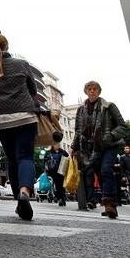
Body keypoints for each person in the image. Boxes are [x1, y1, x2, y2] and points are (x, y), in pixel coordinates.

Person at [0, 34, 38, 221]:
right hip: (25, 118)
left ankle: (18, 200)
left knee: (12, 160)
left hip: (3, 121)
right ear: (8, 45)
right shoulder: (22, 64)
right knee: (25, 157)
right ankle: (24, 192)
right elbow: (33, 90)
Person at [70, 81, 127, 219]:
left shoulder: (109, 106)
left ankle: (109, 204)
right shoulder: (81, 110)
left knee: (106, 170)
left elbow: (122, 126)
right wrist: (74, 146)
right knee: (100, 176)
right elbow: (78, 131)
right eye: (89, 89)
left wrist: (110, 136)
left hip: (108, 146)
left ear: (99, 91)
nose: (92, 91)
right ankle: (110, 205)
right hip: (91, 150)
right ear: (86, 91)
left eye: (94, 89)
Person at [43, 132, 69, 206]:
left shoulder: (63, 152)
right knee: (55, 185)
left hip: (61, 172)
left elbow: (68, 159)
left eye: (58, 143)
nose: (58, 145)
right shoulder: (48, 153)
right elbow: (45, 162)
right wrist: (45, 170)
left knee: (60, 185)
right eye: (56, 143)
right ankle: (59, 197)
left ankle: (61, 198)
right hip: (52, 172)